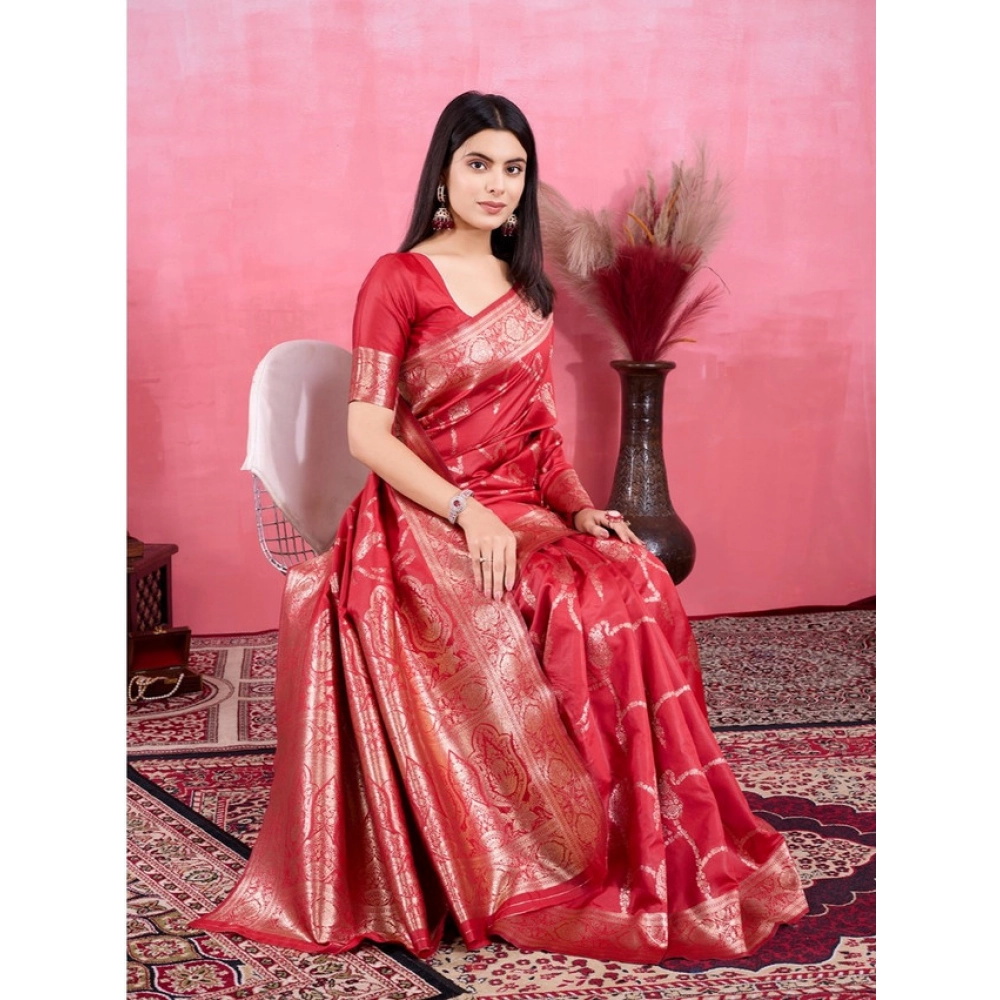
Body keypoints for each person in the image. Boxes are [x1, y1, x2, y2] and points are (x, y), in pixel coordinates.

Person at [192, 91, 807, 964]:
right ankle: (547, 848)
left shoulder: (528, 289)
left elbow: (541, 435)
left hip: (522, 506)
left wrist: (581, 507)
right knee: (567, 604)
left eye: (514, 169)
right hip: (425, 512)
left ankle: (634, 829)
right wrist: (466, 511)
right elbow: (367, 433)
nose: (497, 184)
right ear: (442, 173)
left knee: (634, 580)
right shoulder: (397, 278)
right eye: (478, 163)